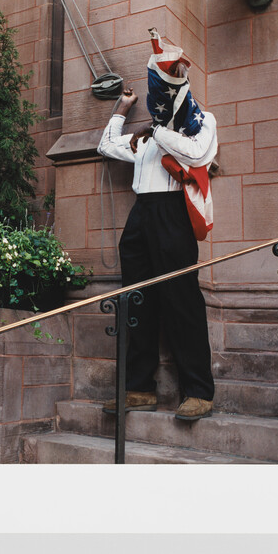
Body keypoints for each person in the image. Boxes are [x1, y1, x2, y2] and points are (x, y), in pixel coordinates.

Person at [97, 28, 217, 421]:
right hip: (141, 216)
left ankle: (198, 391)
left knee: (181, 300)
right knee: (136, 300)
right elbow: (107, 147)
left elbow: (199, 155)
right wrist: (121, 110)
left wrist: (161, 131)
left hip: (173, 215)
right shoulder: (147, 139)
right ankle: (138, 388)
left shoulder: (201, 123)